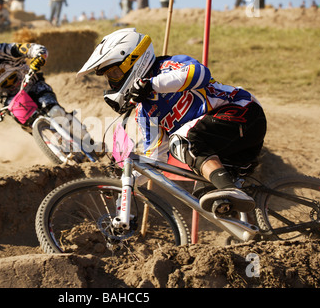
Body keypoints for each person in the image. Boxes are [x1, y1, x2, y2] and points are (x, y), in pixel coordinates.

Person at [77, 28, 267, 215]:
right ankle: (250, 230)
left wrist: (152, 85)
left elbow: (200, 74)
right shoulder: (145, 112)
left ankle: (232, 191)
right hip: (225, 144)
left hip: (243, 113)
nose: (113, 82)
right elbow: (155, 158)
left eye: (114, 73)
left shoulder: (165, 67)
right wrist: (127, 182)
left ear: (134, 59)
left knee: (182, 141)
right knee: (205, 196)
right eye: (110, 77)